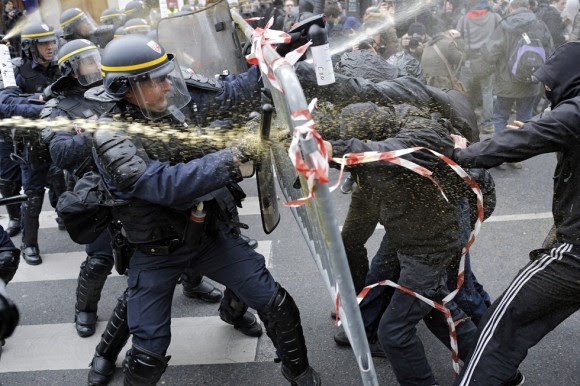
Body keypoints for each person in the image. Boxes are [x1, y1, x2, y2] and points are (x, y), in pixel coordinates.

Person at [82, 34, 320, 385]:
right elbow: (163, 185)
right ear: (126, 87)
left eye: (167, 74)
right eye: (157, 79)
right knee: (148, 348)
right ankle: (104, 354)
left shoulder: (174, 102)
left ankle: (300, 374)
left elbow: (235, 92)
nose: (168, 84)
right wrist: (233, 156)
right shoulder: (111, 135)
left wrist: (277, 54)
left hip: (208, 235)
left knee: (275, 302)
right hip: (156, 250)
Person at [450, 40, 579, 386]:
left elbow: (527, 138)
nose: (546, 86)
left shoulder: (576, 112)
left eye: (551, 79)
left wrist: (465, 154)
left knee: (500, 328)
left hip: (575, 254)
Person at [13, 22, 65, 265]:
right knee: (33, 197)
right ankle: (29, 244)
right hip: (32, 142)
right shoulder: (17, 71)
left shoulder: (61, 66)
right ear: (30, 46)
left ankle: (65, 216)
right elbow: (9, 105)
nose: (50, 46)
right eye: (43, 42)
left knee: (61, 183)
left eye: (51, 41)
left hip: (58, 138)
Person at [483, 0, 553, 138]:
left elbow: (490, 54)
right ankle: (520, 149)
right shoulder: (540, 24)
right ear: (528, 7)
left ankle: (502, 149)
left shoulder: (504, 25)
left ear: (510, 7)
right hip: (531, 80)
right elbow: (550, 52)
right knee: (524, 117)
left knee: (500, 116)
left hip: (506, 81)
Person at [457, 0, 502, 134]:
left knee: (464, 93)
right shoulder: (495, 17)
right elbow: (501, 36)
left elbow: (457, 37)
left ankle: (464, 122)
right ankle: (487, 124)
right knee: (487, 92)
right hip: (488, 61)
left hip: (469, 61)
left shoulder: (464, 19)